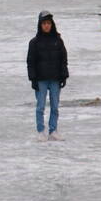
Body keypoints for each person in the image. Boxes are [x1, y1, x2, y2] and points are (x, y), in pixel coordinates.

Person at [26, 10, 68, 141]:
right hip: (41, 79)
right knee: (40, 106)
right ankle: (40, 131)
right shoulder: (34, 42)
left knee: (55, 106)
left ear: (52, 24)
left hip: (55, 79)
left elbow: (63, 59)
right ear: (40, 25)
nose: (46, 26)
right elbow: (30, 61)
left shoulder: (58, 40)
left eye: (48, 23)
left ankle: (53, 130)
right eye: (44, 23)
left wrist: (64, 75)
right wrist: (33, 79)